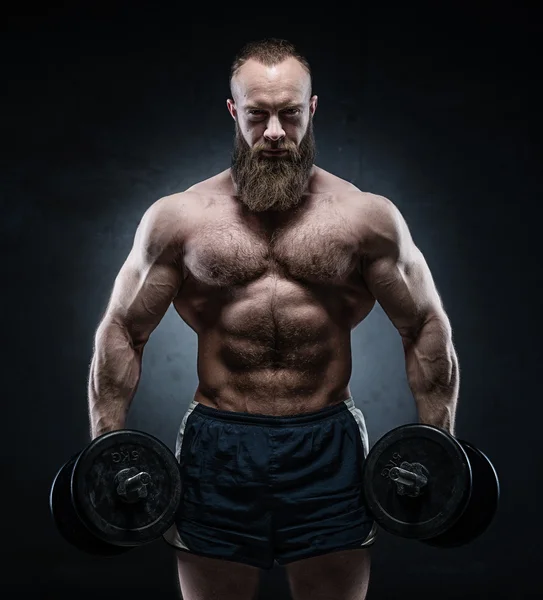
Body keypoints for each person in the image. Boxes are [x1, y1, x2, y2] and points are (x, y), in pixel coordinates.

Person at [87, 38, 459, 600]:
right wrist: (106, 451)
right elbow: (122, 330)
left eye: (290, 113)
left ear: (312, 109)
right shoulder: (179, 219)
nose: (276, 132)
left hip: (327, 444)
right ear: (234, 112)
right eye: (258, 115)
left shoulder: (366, 219)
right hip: (218, 445)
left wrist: (439, 446)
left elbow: (425, 325)